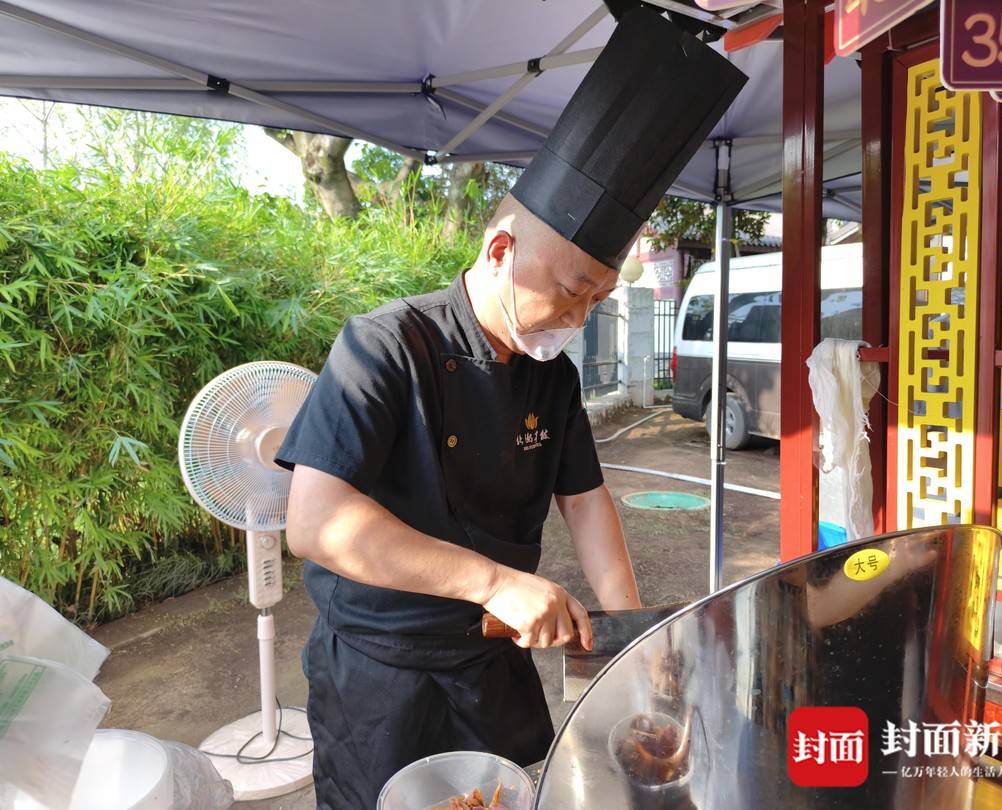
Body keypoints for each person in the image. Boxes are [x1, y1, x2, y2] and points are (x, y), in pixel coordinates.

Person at [274, 8, 747, 808]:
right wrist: (495, 582)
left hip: (494, 666)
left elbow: (589, 505)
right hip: (380, 672)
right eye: (569, 290)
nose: (580, 315)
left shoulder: (550, 375)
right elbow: (315, 525)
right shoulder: (386, 345)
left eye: (597, 298)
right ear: (500, 251)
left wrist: (637, 639)